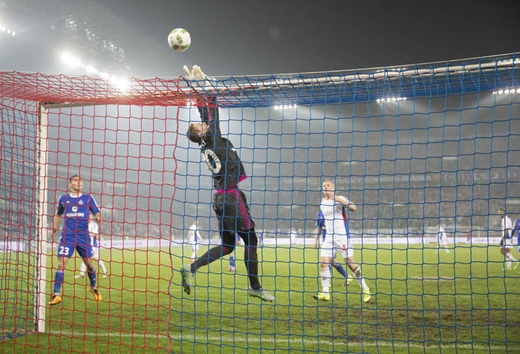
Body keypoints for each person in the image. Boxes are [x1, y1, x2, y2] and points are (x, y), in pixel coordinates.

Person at [180, 65, 274, 302]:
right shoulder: (212, 139)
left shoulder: (208, 144)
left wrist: (197, 88)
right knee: (251, 239)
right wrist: (204, 88)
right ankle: (255, 287)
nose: (203, 124)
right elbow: (212, 112)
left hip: (220, 199)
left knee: (228, 246)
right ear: (201, 134)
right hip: (231, 197)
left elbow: (206, 116)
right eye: (201, 127)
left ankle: (191, 269)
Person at [313, 179, 371, 303]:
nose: (325, 187)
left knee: (350, 264)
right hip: (329, 237)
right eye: (324, 186)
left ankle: (365, 288)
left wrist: (337, 199)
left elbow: (354, 208)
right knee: (323, 262)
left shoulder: (340, 198)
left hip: (341, 237)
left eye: (328, 185)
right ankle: (325, 293)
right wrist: (317, 239)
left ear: (333, 187)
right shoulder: (322, 203)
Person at [49, 175, 102, 305]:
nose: (78, 183)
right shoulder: (63, 199)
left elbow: (97, 212)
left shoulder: (88, 198)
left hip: (83, 236)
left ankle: (93, 287)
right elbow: (58, 214)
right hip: (68, 236)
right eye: (75, 181)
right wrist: (54, 227)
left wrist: (98, 217)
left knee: (89, 264)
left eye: (80, 181)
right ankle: (56, 294)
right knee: (61, 263)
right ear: (70, 183)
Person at [314, 211, 353, 286]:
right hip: (326, 241)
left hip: (334, 239)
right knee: (332, 261)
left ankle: (328, 281)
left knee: (327, 260)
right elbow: (318, 228)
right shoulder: (319, 214)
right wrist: (316, 240)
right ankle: (347, 276)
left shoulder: (333, 211)